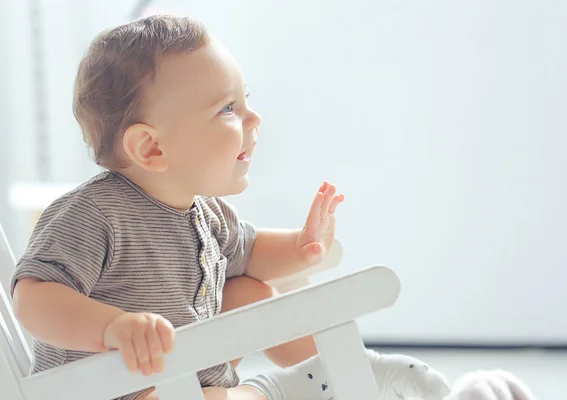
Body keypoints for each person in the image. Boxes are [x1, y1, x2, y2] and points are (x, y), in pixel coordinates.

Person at [10, 15, 450, 400]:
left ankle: (343, 367)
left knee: (247, 293)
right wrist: (111, 327)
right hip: (113, 388)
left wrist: (301, 245)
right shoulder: (93, 214)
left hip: (184, 375)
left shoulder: (206, 213)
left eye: (246, 101)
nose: (254, 119)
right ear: (151, 147)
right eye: (228, 108)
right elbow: (33, 297)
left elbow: (252, 251)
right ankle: (282, 389)